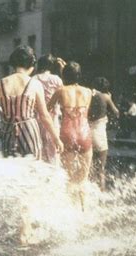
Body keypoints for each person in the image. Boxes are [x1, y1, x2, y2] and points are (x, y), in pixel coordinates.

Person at [0, 45, 63, 244]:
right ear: (31, 65)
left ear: (13, 64)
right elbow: (45, 116)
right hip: (29, 132)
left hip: (8, 133)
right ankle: (25, 229)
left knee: (15, 180)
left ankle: (20, 223)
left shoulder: (0, 83)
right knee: (30, 181)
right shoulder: (34, 84)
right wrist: (56, 138)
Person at [48, 61, 92, 209]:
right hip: (85, 134)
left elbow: (47, 110)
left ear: (63, 75)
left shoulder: (60, 91)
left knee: (70, 177)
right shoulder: (88, 92)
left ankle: (70, 210)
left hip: (67, 134)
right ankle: (84, 209)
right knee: (83, 179)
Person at [88, 77, 120, 191]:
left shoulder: (88, 95)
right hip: (100, 134)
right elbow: (116, 112)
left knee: (88, 167)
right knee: (101, 170)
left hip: (87, 133)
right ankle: (101, 192)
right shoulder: (105, 97)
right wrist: (110, 99)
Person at [34, 54, 65, 163]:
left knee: (39, 148)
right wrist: (62, 69)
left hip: (37, 117)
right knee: (53, 148)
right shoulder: (56, 79)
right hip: (53, 117)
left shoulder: (34, 79)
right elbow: (64, 95)